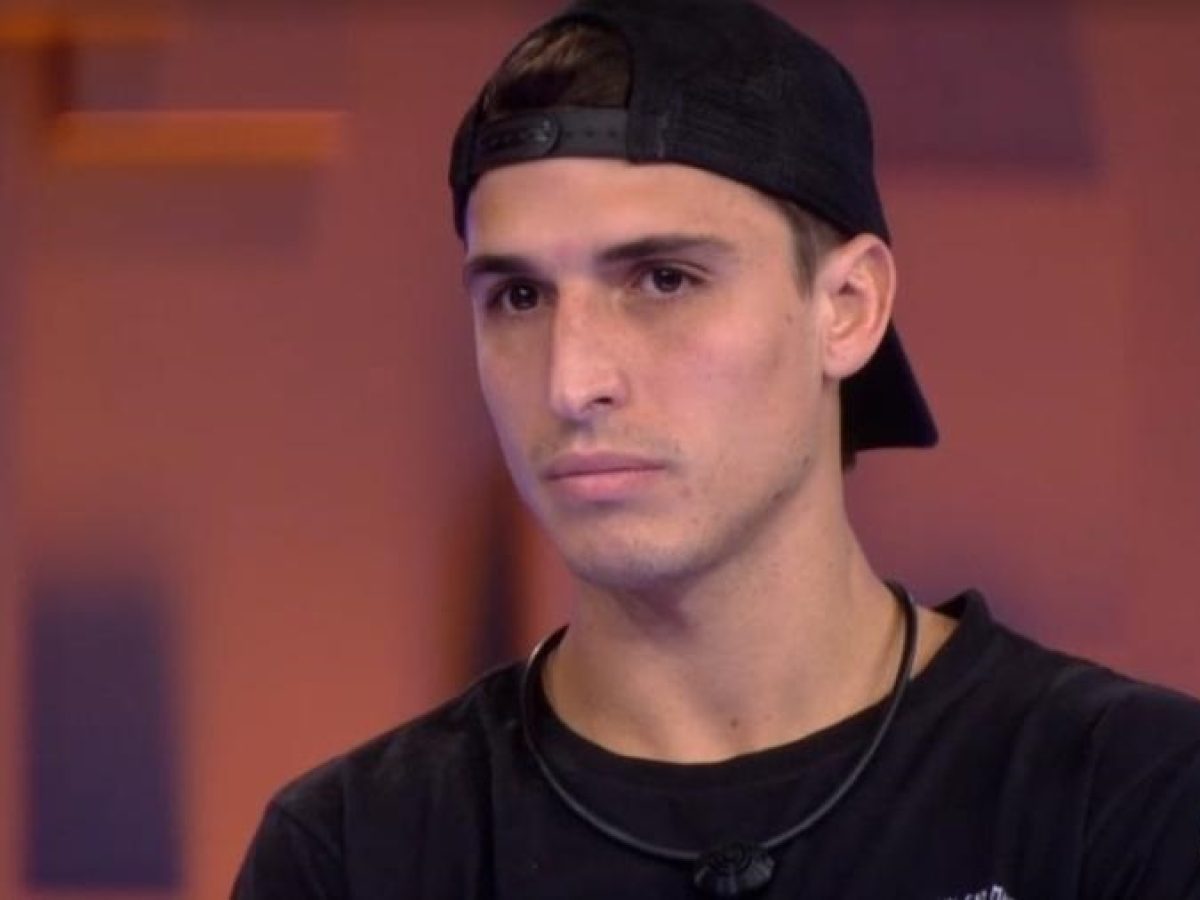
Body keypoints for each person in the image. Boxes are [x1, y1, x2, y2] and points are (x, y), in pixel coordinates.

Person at [232, 1, 1200, 897]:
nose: (572, 382)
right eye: (519, 298)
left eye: (664, 279)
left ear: (847, 307)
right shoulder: (355, 852)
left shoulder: (1135, 800)